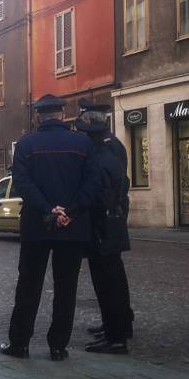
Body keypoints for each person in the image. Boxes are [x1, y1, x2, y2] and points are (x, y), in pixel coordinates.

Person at [0, 95, 98, 361]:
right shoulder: (83, 143)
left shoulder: (26, 144)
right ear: (63, 114)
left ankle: (19, 343)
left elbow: (21, 182)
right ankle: (58, 346)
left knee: (29, 285)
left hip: (36, 225)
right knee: (66, 288)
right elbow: (92, 184)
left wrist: (47, 209)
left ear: (38, 117)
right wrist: (70, 211)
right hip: (72, 226)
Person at [75, 99, 133, 353]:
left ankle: (116, 335)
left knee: (108, 280)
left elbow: (101, 192)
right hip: (113, 222)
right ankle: (118, 324)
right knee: (114, 277)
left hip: (104, 224)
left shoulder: (103, 153)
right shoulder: (112, 147)